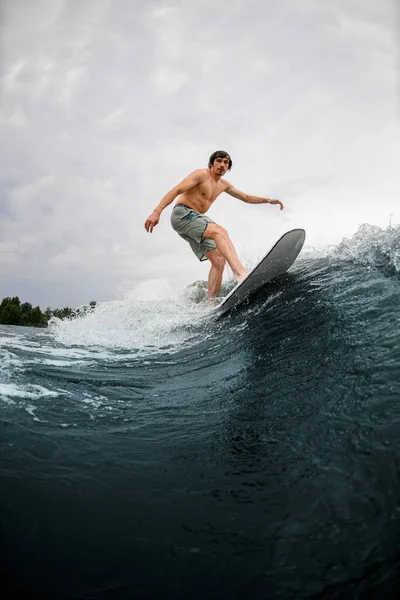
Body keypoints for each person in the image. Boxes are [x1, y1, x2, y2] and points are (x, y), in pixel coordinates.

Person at [144, 150, 284, 299]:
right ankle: (241, 274)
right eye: (219, 161)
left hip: (194, 220)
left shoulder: (224, 185)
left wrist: (268, 200)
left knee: (218, 260)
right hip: (183, 214)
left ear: (228, 168)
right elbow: (177, 189)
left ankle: (211, 303)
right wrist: (156, 211)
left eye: (226, 163)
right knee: (219, 232)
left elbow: (246, 197)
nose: (222, 165)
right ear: (212, 163)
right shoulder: (201, 175)